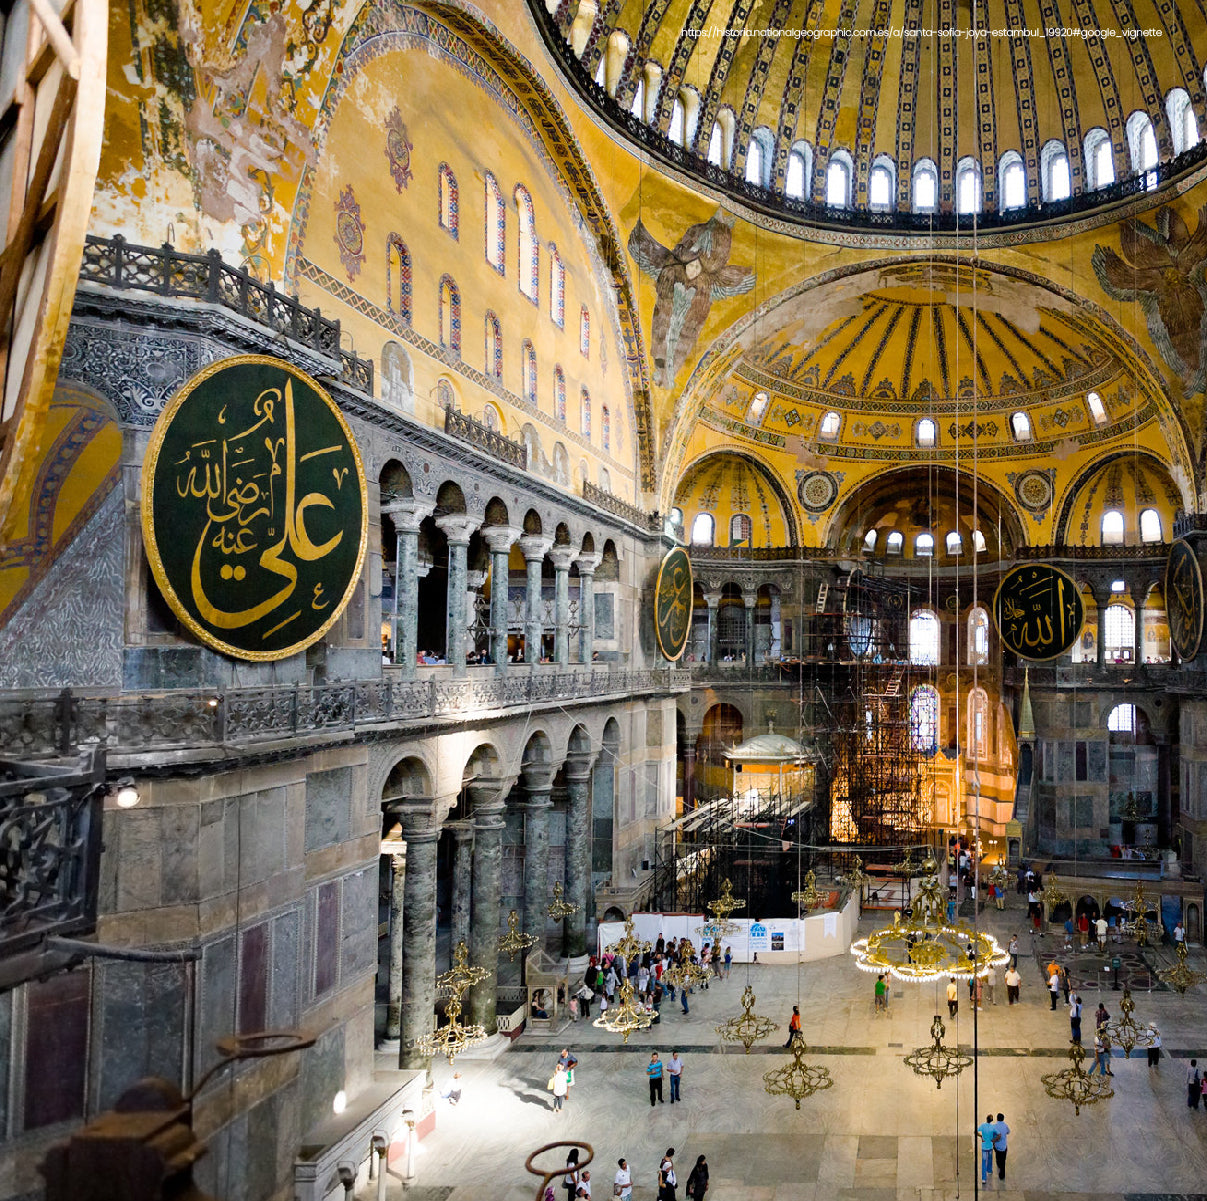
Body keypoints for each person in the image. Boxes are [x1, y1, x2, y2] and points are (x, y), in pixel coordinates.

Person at [977, 1114, 997, 1185]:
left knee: (983, 1162)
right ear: (991, 1120)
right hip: (990, 1146)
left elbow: (976, 1131)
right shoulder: (993, 1127)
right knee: (990, 1159)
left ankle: (984, 1179)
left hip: (984, 1147)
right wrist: (994, 1140)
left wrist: (981, 1136)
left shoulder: (982, 1125)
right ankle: (989, 1170)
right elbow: (998, 1134)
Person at [992, 1113, 1010, 1182]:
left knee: (998, 1156)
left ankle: (998, 1163)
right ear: (1003, 1119)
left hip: (997, 1146)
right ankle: (1002, 1175)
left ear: (997, 1118)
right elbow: (1008, 1132)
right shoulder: (1005, 1126)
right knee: (1003, 1161)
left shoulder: (994, 1126)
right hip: (1003, 1147)